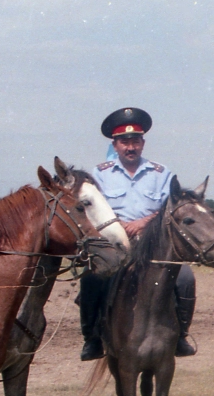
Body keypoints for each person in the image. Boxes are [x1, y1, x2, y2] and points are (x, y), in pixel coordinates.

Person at [77, 107, 197, 360]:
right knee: (91, 280)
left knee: (185, 278)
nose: (130, 147)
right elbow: (93, 208)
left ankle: (181, 337)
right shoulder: (100, 174)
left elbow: (170, 208)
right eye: (124, 142)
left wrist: (144, 223)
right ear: (115, 144)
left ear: (142, 143)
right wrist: (118, 225)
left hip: (154, 243)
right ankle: (92, 339)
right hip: (115, 244)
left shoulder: (161, 173)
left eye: (135, 141)